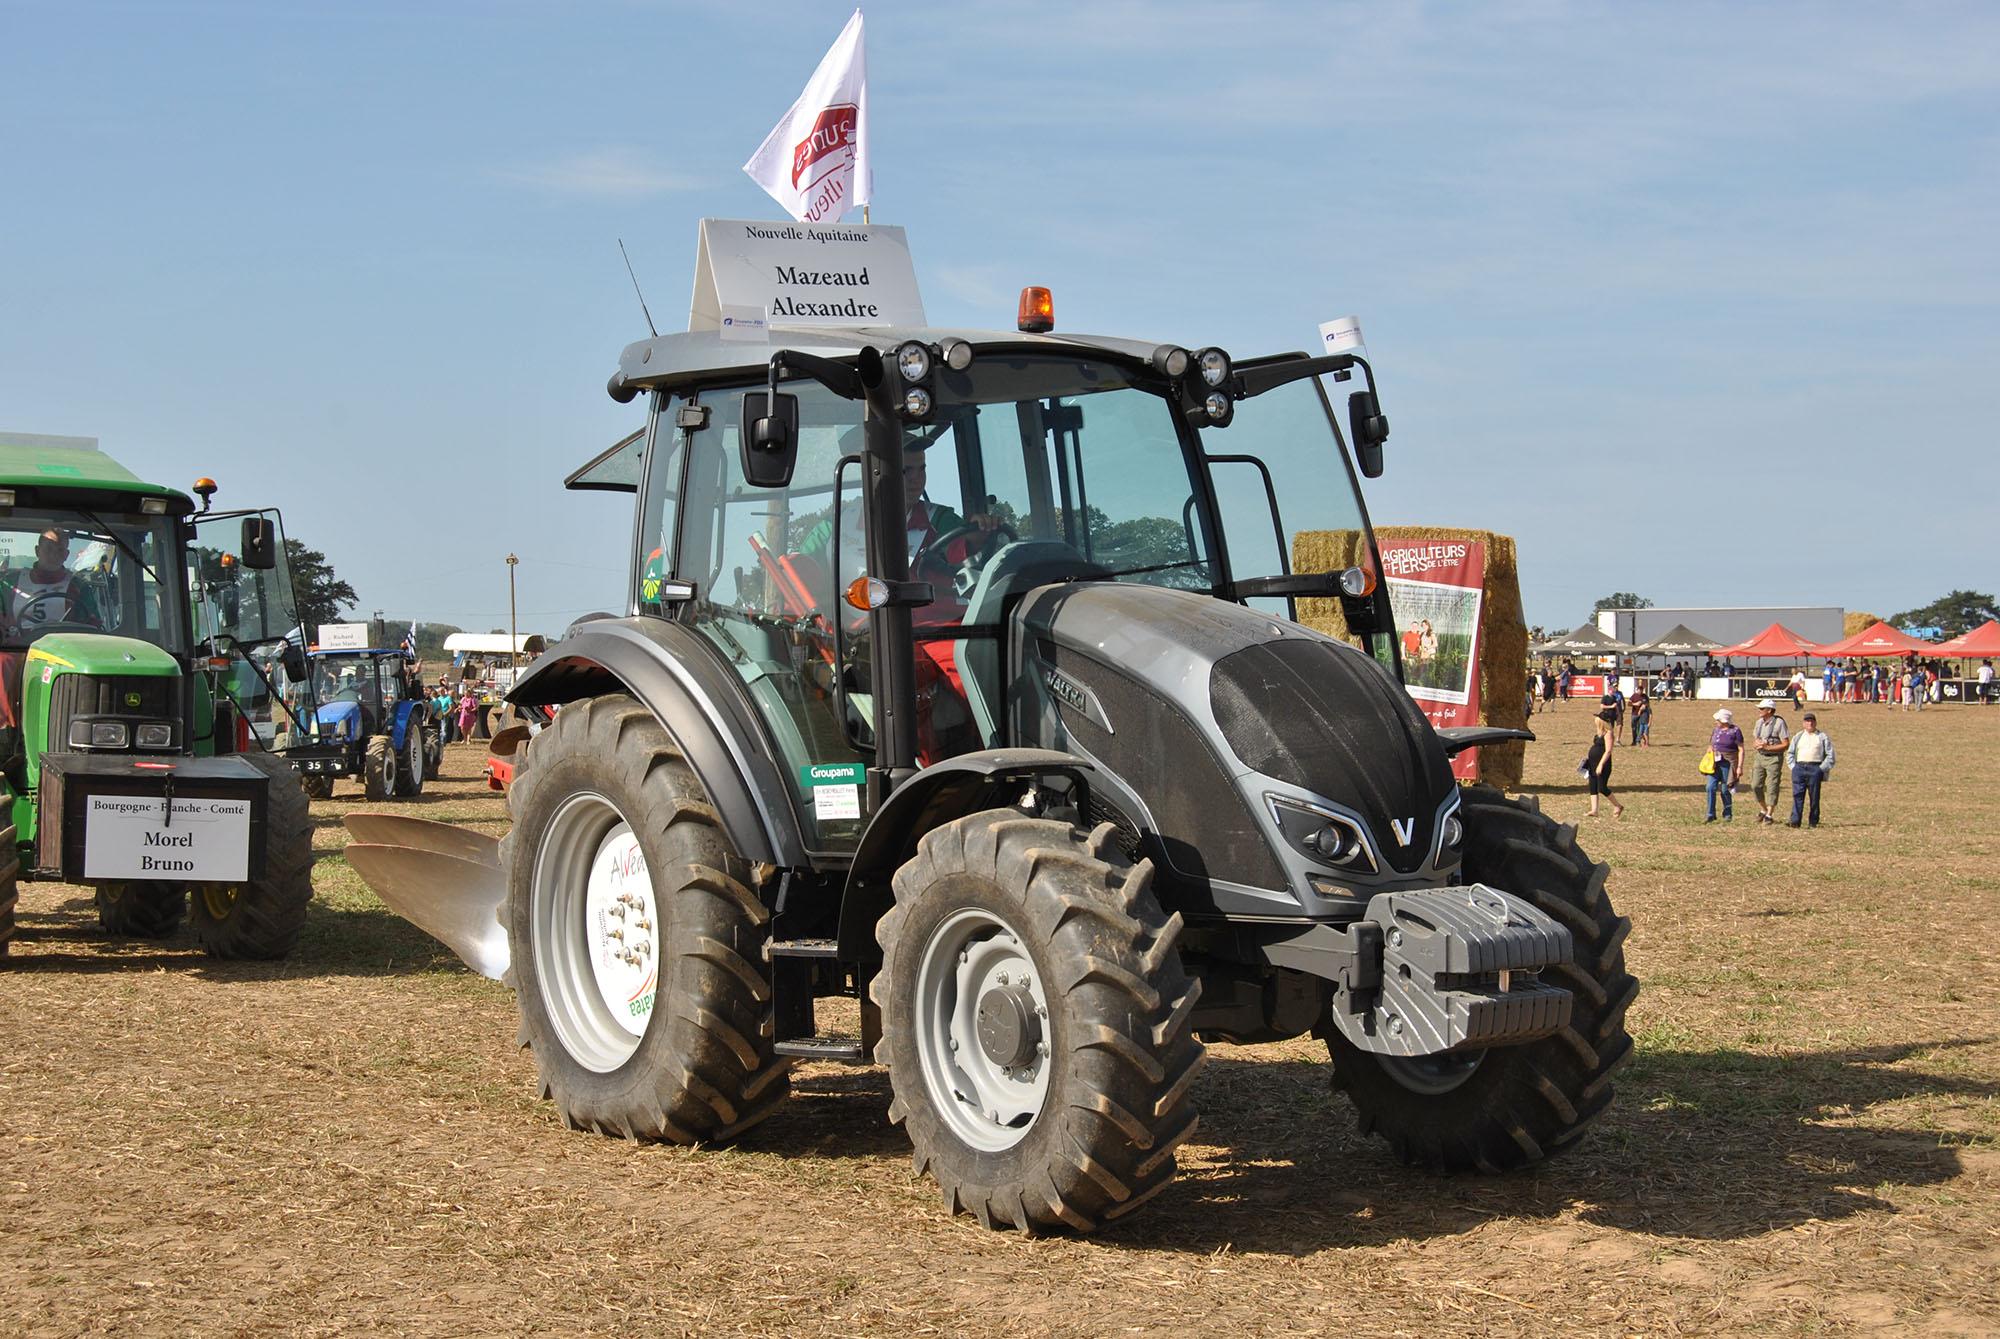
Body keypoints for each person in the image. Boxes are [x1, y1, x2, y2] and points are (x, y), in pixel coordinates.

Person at [1785, 711, 1836, 828]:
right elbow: (1790, 753)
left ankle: (1813, 821)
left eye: (1812, 721)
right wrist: (1793, 767)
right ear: (1803, 723)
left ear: (1816, 722)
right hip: (1799, 768)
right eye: (1807, 721)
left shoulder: (1822, 737)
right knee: (1797, 795)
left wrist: (1821, 769)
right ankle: (1795, 821)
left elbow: (1830, 756)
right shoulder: (1798, 736)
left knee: (1814, 796)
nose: (1810, 723)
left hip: (1815, 768)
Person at [1748, 699, 1791, 825]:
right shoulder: (1759, 723)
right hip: (1759, 757)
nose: (1759, 711)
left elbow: (1786, 744)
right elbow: (1755, 739)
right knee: (1755, 785)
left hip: (1774, 758)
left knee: (1772, 786)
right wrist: (1757, 744)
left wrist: (1768, 747)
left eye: (1762, 709)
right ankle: (1763, 808)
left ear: (1770, 710)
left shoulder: (1779, 723)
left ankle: (1769, 814)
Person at [1705, 707, 1745, 823]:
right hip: (1714, 763)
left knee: (1725, 789)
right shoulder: (1715, 730)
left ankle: (1728, 814)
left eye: (1718, 720)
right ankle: (1710, 814)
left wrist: (1739, 767)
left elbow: (1741, 749)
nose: (1716, 722)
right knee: (1710, 787)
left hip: (1728, 763)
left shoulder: (1735, 731)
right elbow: (1710, 744)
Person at [1584, 706, 1624, 819]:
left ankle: (1617, 805)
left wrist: (1601, 764)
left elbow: (1608, 751)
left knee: (1602, 787)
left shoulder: (1608, 733)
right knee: (1592, 785)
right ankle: (1594, 810)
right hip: (1592, 763)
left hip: (1603, 764)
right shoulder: (1599, 733)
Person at [1629, 682, 1652, 746]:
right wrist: (1635, 704)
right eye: (1639, 689)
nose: (1640, 691)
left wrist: (1644, 706)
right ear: (1637, 690)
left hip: (1642, 715)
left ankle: (1640, 741)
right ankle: (1634, 741)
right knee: (1634, 728)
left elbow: (1648, 704)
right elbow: (1629, 703)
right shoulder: (1634, 695)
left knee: (1640, 728)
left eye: (1641, 689)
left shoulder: (1645, 696)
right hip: (1634, 714)